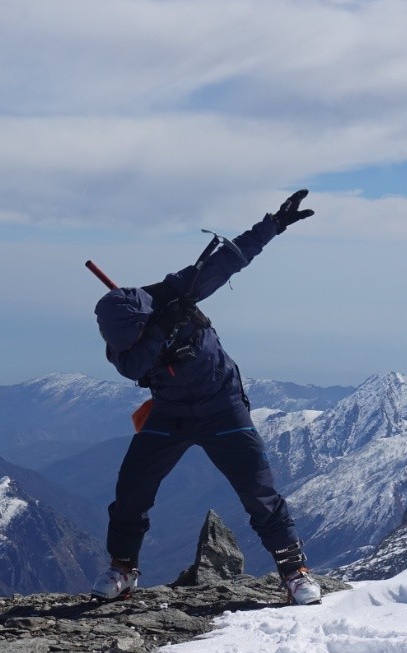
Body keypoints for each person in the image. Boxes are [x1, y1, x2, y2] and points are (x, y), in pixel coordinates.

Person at [90, 189, 322, 606]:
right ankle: (123, 568)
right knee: (132, 489)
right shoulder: (125, 339)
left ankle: (294, 572)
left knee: (258, 492)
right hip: (171, 411)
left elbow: (229, 259)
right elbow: (134, 365)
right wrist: (165, 326)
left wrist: (273, 224)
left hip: (222, 406)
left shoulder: (175, 293)